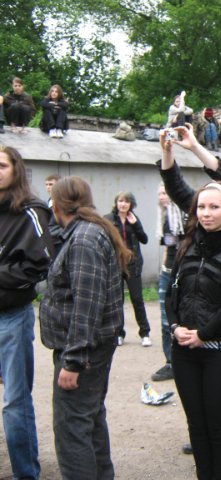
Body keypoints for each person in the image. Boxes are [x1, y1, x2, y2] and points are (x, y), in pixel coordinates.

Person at [159, 123, 221, 464]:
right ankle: (209, 432)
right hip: (194, 308)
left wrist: (195, 147)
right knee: (200, 388)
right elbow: (176, 187)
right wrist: (167, 151)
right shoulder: (203, 214)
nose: (206, 210)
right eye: (203, 205)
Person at [40, 176, 131, 480]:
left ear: (57, 205)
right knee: (89, 419)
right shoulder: (86, 231)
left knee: (72, 428)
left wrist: (74, 361)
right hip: (90, 348)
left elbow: (86, 305)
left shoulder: (84, 239)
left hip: (84, 352)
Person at [165, 180, 221, 480]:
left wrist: (204, 333)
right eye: (201, 207)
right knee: (196, 426)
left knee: (218, 427)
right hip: (184, 351)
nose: (207, 213)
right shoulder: (185, 246)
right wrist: (175, 327)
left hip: (220, 351)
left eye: (214, 207)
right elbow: (171, 294)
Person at [0, 145, 52, 480]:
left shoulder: (31, 210)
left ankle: (25, 473)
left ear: (16, 169)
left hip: (11, 318)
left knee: (15, 403)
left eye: (2, 165)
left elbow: (39, 265)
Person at [104, 192, 152, 347]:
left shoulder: (134, 219)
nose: (123, 204)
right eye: (120, 201)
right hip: (116, 264)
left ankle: (145, 333)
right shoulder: (108, 219)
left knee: (137, 299)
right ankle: (119, 333)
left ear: (131, 204)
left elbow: (144, 239)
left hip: (133, 264)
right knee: (117, 300)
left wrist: (135, 224)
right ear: (116, 203)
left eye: (126, 201)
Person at [151, 183, 185, 382]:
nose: (161, 197)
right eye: (159, 194)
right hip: (167, 270)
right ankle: (170, 362)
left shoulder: (180, 216)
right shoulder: (164, 216)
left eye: (165, 193)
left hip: (179, 272)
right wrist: (163, 269)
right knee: (165, 319)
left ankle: (177, 362)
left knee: (175, 318)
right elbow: (168, 247)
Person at [44, 173, 64, 258]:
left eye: (51, 184)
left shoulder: (64, 203)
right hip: (48, 243)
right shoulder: (46, 203)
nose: (48, 187)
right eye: (46, 184)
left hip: (60, 243)